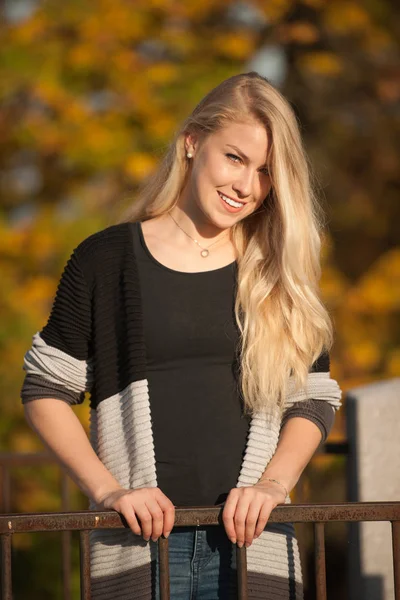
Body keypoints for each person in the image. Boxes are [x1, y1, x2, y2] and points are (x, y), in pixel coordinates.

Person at [21, 71, 342, 600]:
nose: (246, 186)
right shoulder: (106, 260)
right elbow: (45, 389)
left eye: (265, 172)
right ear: (192, 143)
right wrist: (109, 490)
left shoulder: (277, 270)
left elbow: (312, 399)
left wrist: (272, 486)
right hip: (136, 548)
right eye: (235, 159)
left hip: (254, 545)